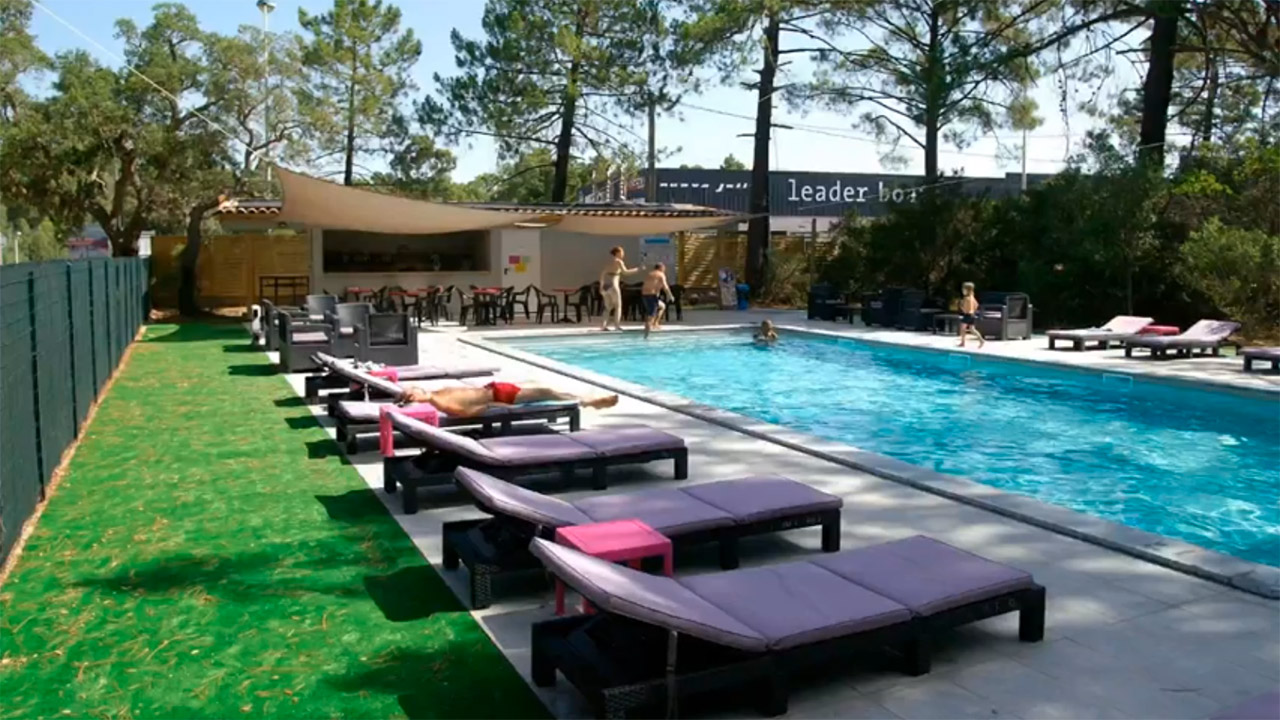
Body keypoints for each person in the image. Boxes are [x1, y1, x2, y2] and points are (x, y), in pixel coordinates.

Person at [399, 381, 619, 417]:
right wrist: (498, 405)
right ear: (415, 399)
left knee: (547, 390)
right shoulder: (440, 402)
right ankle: (590, 402)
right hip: (502, 396)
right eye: (413, 393)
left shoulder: (437, 393)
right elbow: (468, 412)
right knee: (548, 392)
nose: (416, 389)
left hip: (497, 388)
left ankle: (587, 400)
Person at [598, 246, 641, 331]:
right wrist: (637, 269)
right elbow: (625, 272)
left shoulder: (608, 261)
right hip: (613, 285)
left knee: (607, 307)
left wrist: (601, 287)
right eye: (622, 252)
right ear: (617, 253)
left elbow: (602, 274)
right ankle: (616, 325)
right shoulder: (619, 261)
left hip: (605, 286)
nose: (623, 254)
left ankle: (603, 326)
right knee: (618, 306)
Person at [641, 262, 675, 338]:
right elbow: (665, 286)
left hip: (645, 296)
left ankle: (655, 324)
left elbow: (649, 285)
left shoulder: (650, 274)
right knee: (651, 315)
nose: (664, 270)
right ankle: (646, 336)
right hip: (651, 296)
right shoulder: (661, 274)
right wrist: (670, 296)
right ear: (661, 268)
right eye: (664, 269)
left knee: (662, 306)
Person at [958, 282, 986, 348]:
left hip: (967, 315)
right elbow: (976, 305)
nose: (963, 291)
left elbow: (965, 309)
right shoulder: (972, 297)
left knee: (962, 328)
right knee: (972, 329)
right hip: (972, 315)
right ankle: (981, 340)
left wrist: (961, 307)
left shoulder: (966, 298)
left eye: (964, 290)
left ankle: (962, 342)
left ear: (967, 290)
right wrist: (973, 310)